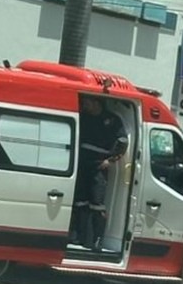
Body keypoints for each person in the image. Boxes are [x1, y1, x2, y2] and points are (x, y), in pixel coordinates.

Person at [71, 95, 128, 252]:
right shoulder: (84, 116)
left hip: (99, 166)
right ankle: (79, 237)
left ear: (96, 102)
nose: (85, 105)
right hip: (82, 163)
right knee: (80, 202)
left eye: (87, 102)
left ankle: (97, 240)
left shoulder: (112, 120)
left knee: (97, 205)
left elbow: (123, 142)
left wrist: (110, 161)